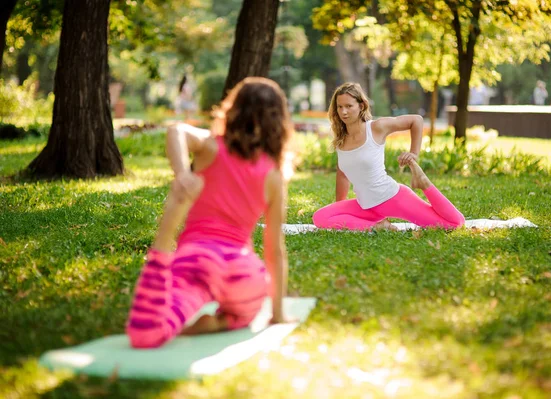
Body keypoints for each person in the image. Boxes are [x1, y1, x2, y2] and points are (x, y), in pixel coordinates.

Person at [126, 77, 293, 349]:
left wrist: (182, 174)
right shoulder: (273, 175)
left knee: (153, 330)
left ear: (233, 110)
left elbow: (176, 131)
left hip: (199, 262)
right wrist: (277, 314)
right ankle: (222, 322)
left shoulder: (212, 146)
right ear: (278, 122)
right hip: (244, 274)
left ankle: (178, 315)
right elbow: (275, 249)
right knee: (244, 313)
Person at [312, 82, 465, 231]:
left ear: (361, 106)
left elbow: (416, 120)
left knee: (453, 223)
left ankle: (424, 183)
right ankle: (378, 226)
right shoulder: (340, 140)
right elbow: (342, 175)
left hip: (392, 198)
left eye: (349, 106)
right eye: (340, 107)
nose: (344, 112)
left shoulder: (376, 128)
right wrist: (340, 209)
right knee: (320, 217)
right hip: (365, 206)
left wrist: (414, 154)